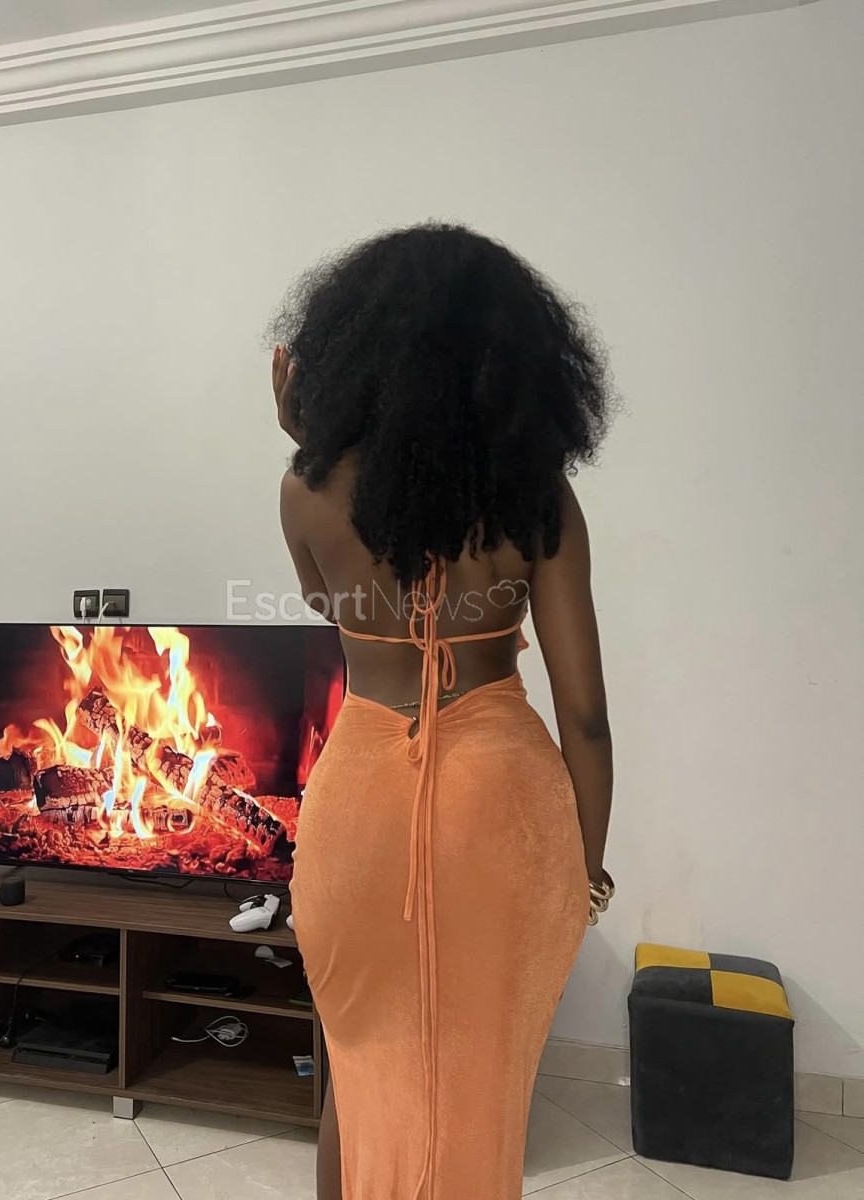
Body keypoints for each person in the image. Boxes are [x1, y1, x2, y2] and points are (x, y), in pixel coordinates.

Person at [274, 223, 615, 1200]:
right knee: (480, 1085)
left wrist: (308, 444)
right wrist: (584, 872)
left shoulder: (305, 492)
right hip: (502, 811)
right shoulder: (538, 500)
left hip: (357, 809)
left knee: (356, 1067)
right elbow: (584, 716)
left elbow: (326, 606)